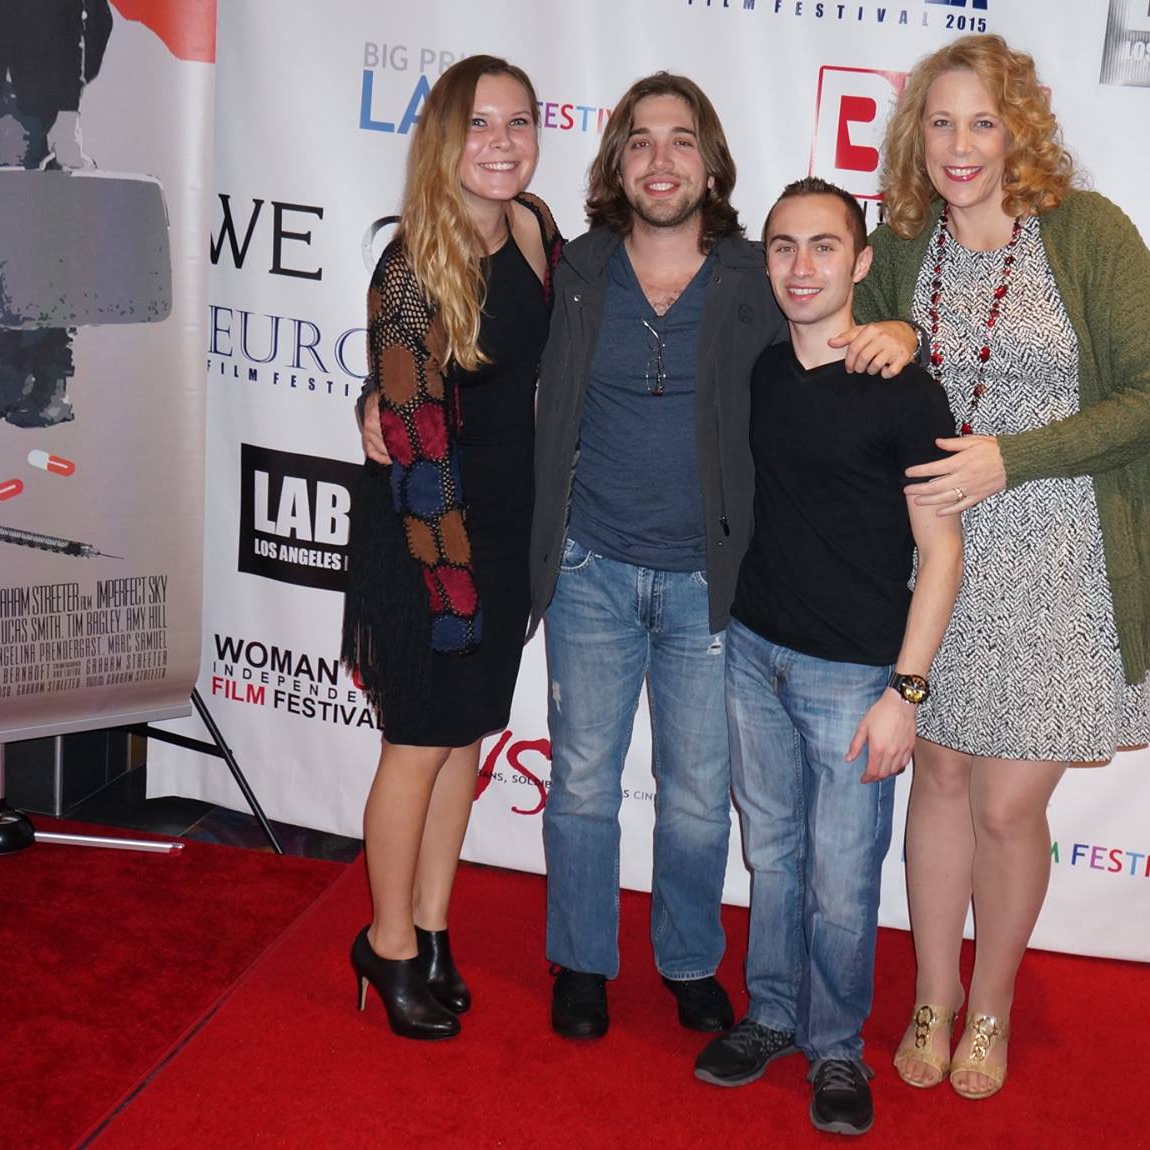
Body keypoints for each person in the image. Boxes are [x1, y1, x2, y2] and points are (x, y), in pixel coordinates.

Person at [525, 73, 922, 1040]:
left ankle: (689, 958)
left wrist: (904, 328)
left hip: (714, 584)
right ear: (617, 159)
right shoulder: (575, 269)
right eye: (642, 141)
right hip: (591, 570)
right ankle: (581, 959)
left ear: (711, 163)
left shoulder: (756, 272)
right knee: (581, 776)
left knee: (700, 794)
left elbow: (858, 291)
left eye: (683, 140)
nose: (662, 160)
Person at [852, 34, 1150, 1098]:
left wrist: (1015, 456)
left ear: (1019, 132)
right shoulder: (901, 240)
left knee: (1006, 808)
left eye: (982, 123)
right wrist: (887, 337)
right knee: (940, 779)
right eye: (941, 123)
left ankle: (989, 1009)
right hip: (933, 559)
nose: (960, 146)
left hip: (1064, 558)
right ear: (918, 135)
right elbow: (847, 348)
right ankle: (932, 996)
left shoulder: (1085, 233)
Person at [692, 178, 961, 1137]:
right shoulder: (762, 372)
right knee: (773, 856)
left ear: (859, 261)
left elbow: (942, 553)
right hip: (754, 655)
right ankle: (770, 1016)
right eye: (782, 247)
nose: (801, 267)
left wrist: (906, 693)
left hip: (853, 677)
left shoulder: (903, 391)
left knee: (844, 881)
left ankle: (837, 1048)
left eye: (822, 247)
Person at [345, 55, 560, 1040]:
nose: (502, 141)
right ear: (442, 139)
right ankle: (384, 943)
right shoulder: (409, 268)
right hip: (428, 531)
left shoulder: (534, 230)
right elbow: (410, 433)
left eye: (518, 122)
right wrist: (452, 585)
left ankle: (432, 929)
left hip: (505, 527)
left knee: (462, 743)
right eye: (480, 124)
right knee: (416, 744)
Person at [0, 0, 111, 427]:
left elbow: (96, 17)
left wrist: (68, 103)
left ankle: (51, 384)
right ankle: (9, 378)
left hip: (37, 108)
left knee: (39, 249)